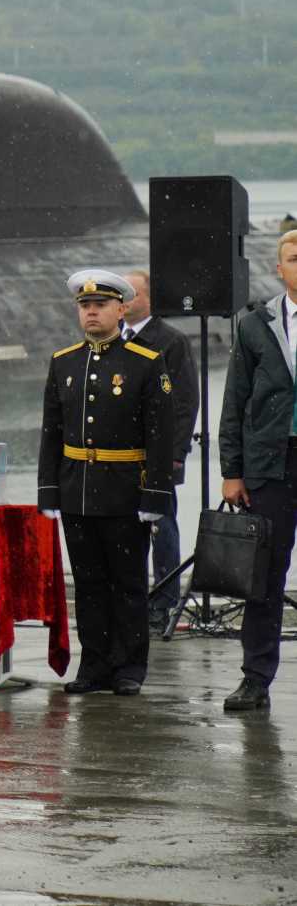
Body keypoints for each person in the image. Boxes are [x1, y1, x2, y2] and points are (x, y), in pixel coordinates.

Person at [37, 268, 174, 697]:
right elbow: (51, 432)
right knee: (90, 584)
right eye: (85, 306)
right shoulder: (65, 363)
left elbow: (160, 434)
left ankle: (130, 666)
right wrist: (48, 491)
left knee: (128, 583)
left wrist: (155, 493)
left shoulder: (146, 363)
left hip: (125, 490)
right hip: (77, 488)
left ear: (121, 308)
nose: (92, 312)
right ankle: (94, 664)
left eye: (100, 306)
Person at [220, 232, 297, 714]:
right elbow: (235, 401)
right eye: (295, 257)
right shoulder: (254, 326)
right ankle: (256, 678)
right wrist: (233, 470)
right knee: (264, 577)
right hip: (272, 464)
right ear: (279, 268)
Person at [121, 269, 197, 630]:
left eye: (131, 294)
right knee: (125, 529)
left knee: (161, 527)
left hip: (159, 456)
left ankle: (163, 602)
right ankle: (131, 600)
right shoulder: (111, 339)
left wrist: (174, 454)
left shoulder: (170, 340)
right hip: (120, 457)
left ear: (150, 299)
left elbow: (185, 403)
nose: (123, 302)